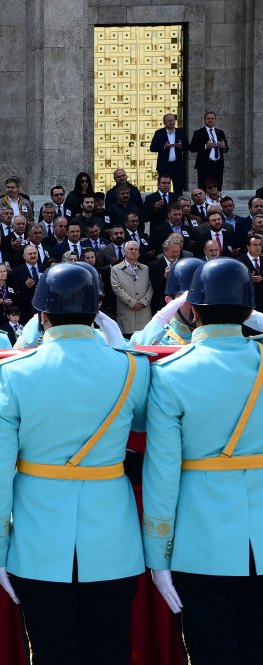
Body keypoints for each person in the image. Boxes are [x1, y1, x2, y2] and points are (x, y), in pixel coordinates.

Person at [0, 261, 150, 665]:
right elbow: (148, 425)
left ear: (42, 314)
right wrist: (121, 346)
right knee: (109, 648)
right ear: (97, 311)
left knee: (51, 649)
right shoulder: (132, 367)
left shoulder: (15, 373)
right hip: (113, 535)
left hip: (38, 537)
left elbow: (0, 467)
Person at [142, 257, 263, 663]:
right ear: (249, 309)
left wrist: (158, 556)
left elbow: (162, 473)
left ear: (191, 308)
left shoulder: (172, 373)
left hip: (202, 543)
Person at [130, 257, 202, 346]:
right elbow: (136, 346)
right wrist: (160, 318)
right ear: (169, 301)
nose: (196, 304)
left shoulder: (214, 335)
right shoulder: (159, 339)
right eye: (187, 297)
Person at [110, 240, 153, 337]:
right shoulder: (115, 269)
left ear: (139, 253)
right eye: (130, 249)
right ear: (124, 252)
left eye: (136, 249)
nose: (133, 251)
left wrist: (143, 302)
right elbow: (117, 289)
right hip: (126, 315)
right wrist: (132, 303)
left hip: (144, 314)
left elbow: (150, 287)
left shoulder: (145, 268)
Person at [149, 113, 188, 194]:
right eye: (169, 121)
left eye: (173, 120)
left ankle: (178, 205)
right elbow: (152, 148)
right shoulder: (159, 133)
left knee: (178, 188)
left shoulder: (180, 132)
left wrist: (181, 146)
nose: (171, 122)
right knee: (164, 188)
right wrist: (164, 147)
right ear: (164, 123)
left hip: (177, 166)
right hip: (164, 166)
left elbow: (188, 146)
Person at [190, 111, 229, 189]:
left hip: (218, 165)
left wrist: (224, 146)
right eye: (208, 118)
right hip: (204, 165)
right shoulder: (198, 132)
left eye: (212, 118)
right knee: (203, 187)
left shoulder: (220, 132)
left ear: (215, 120)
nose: (210, 120)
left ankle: (216, 201)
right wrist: (206, 146)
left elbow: (226, 148)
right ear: (204, 120)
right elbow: (192, 148)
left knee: (217, 187)